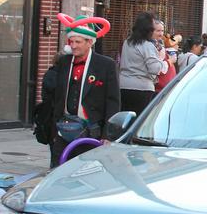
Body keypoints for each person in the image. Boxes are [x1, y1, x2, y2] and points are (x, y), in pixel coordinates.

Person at [51, 14, 120, 168]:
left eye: (78, 42)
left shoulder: (106, 64)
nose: (73, 46)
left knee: (87, 174)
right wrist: (53, 130)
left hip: (91, 130)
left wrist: (107, 135)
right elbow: (57, 96)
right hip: (64, 128)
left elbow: (113, 101)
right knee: (57, 171)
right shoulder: (64, 62)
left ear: (89, 42)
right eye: (71, 41)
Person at [118, 12, 164, 115]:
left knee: (126, 119)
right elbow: (155, 69)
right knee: (140, 122)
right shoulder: (147, 45)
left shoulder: (127, 42)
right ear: (148, 29)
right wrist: (161, 59)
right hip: (142, 89)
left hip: (123, 86)